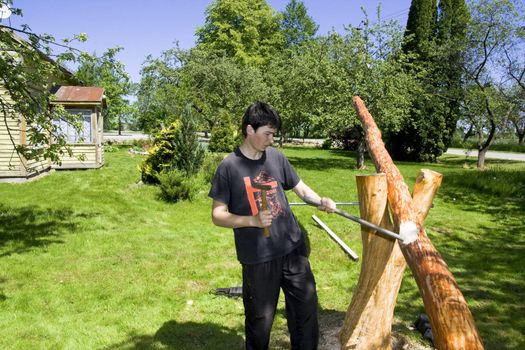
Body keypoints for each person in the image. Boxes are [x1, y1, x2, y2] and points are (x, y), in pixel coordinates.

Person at [209, 102, 336, 350]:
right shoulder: (229, 167)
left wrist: (319, 200)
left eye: (273, 134)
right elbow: (217, 215)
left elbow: (300, 188)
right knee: (260, 321)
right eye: (267, 133)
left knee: (305, 313)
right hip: (258, 258)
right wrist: (251, 221)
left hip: (293, 248)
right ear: (249, 130)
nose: (271, 140)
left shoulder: (276, 158)